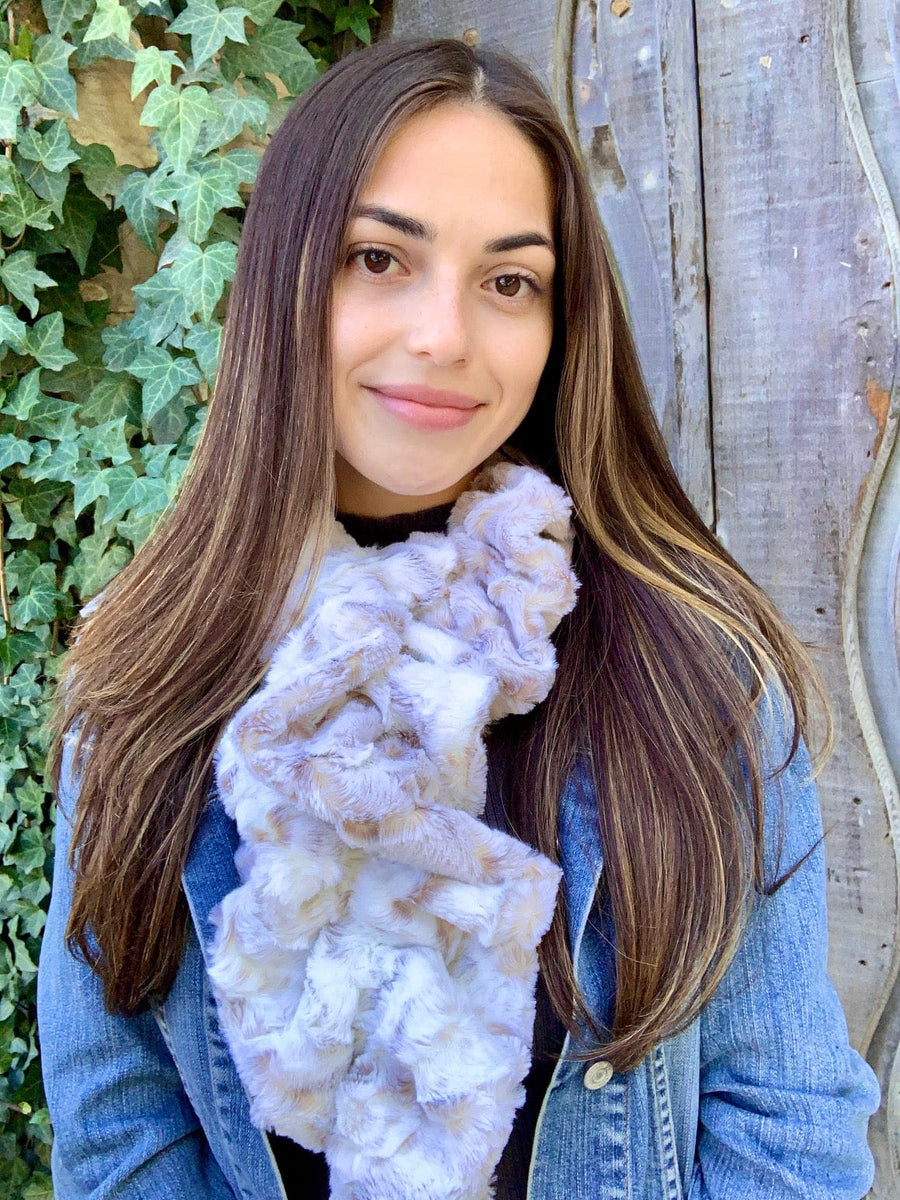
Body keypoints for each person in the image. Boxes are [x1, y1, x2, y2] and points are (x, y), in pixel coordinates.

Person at [37, 35, 879, 1200]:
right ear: (285, 280)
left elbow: (782, 1125)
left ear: (559, 321)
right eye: (380, 258)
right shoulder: (147, 685)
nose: (445, 337)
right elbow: (122, 1130)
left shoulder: (703, 682)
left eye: (509, 280)